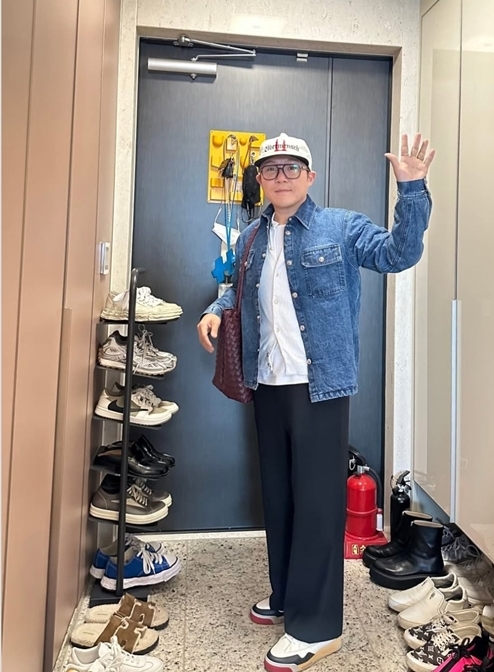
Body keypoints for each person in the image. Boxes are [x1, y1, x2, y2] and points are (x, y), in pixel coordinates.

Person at [197, 131, 434, 671]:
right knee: (279, 497)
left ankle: (318, 627)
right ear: (260, 179)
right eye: (271, 168)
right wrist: (214, 309)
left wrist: (412, 189)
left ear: (310, 176)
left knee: (318, 505)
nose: (281, 176)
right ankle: (287, 595)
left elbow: (399, 254)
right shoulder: (253, 235)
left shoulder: (341, 227)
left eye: (292, 167)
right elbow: (237, 288)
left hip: (319, 386)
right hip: (267, 382)